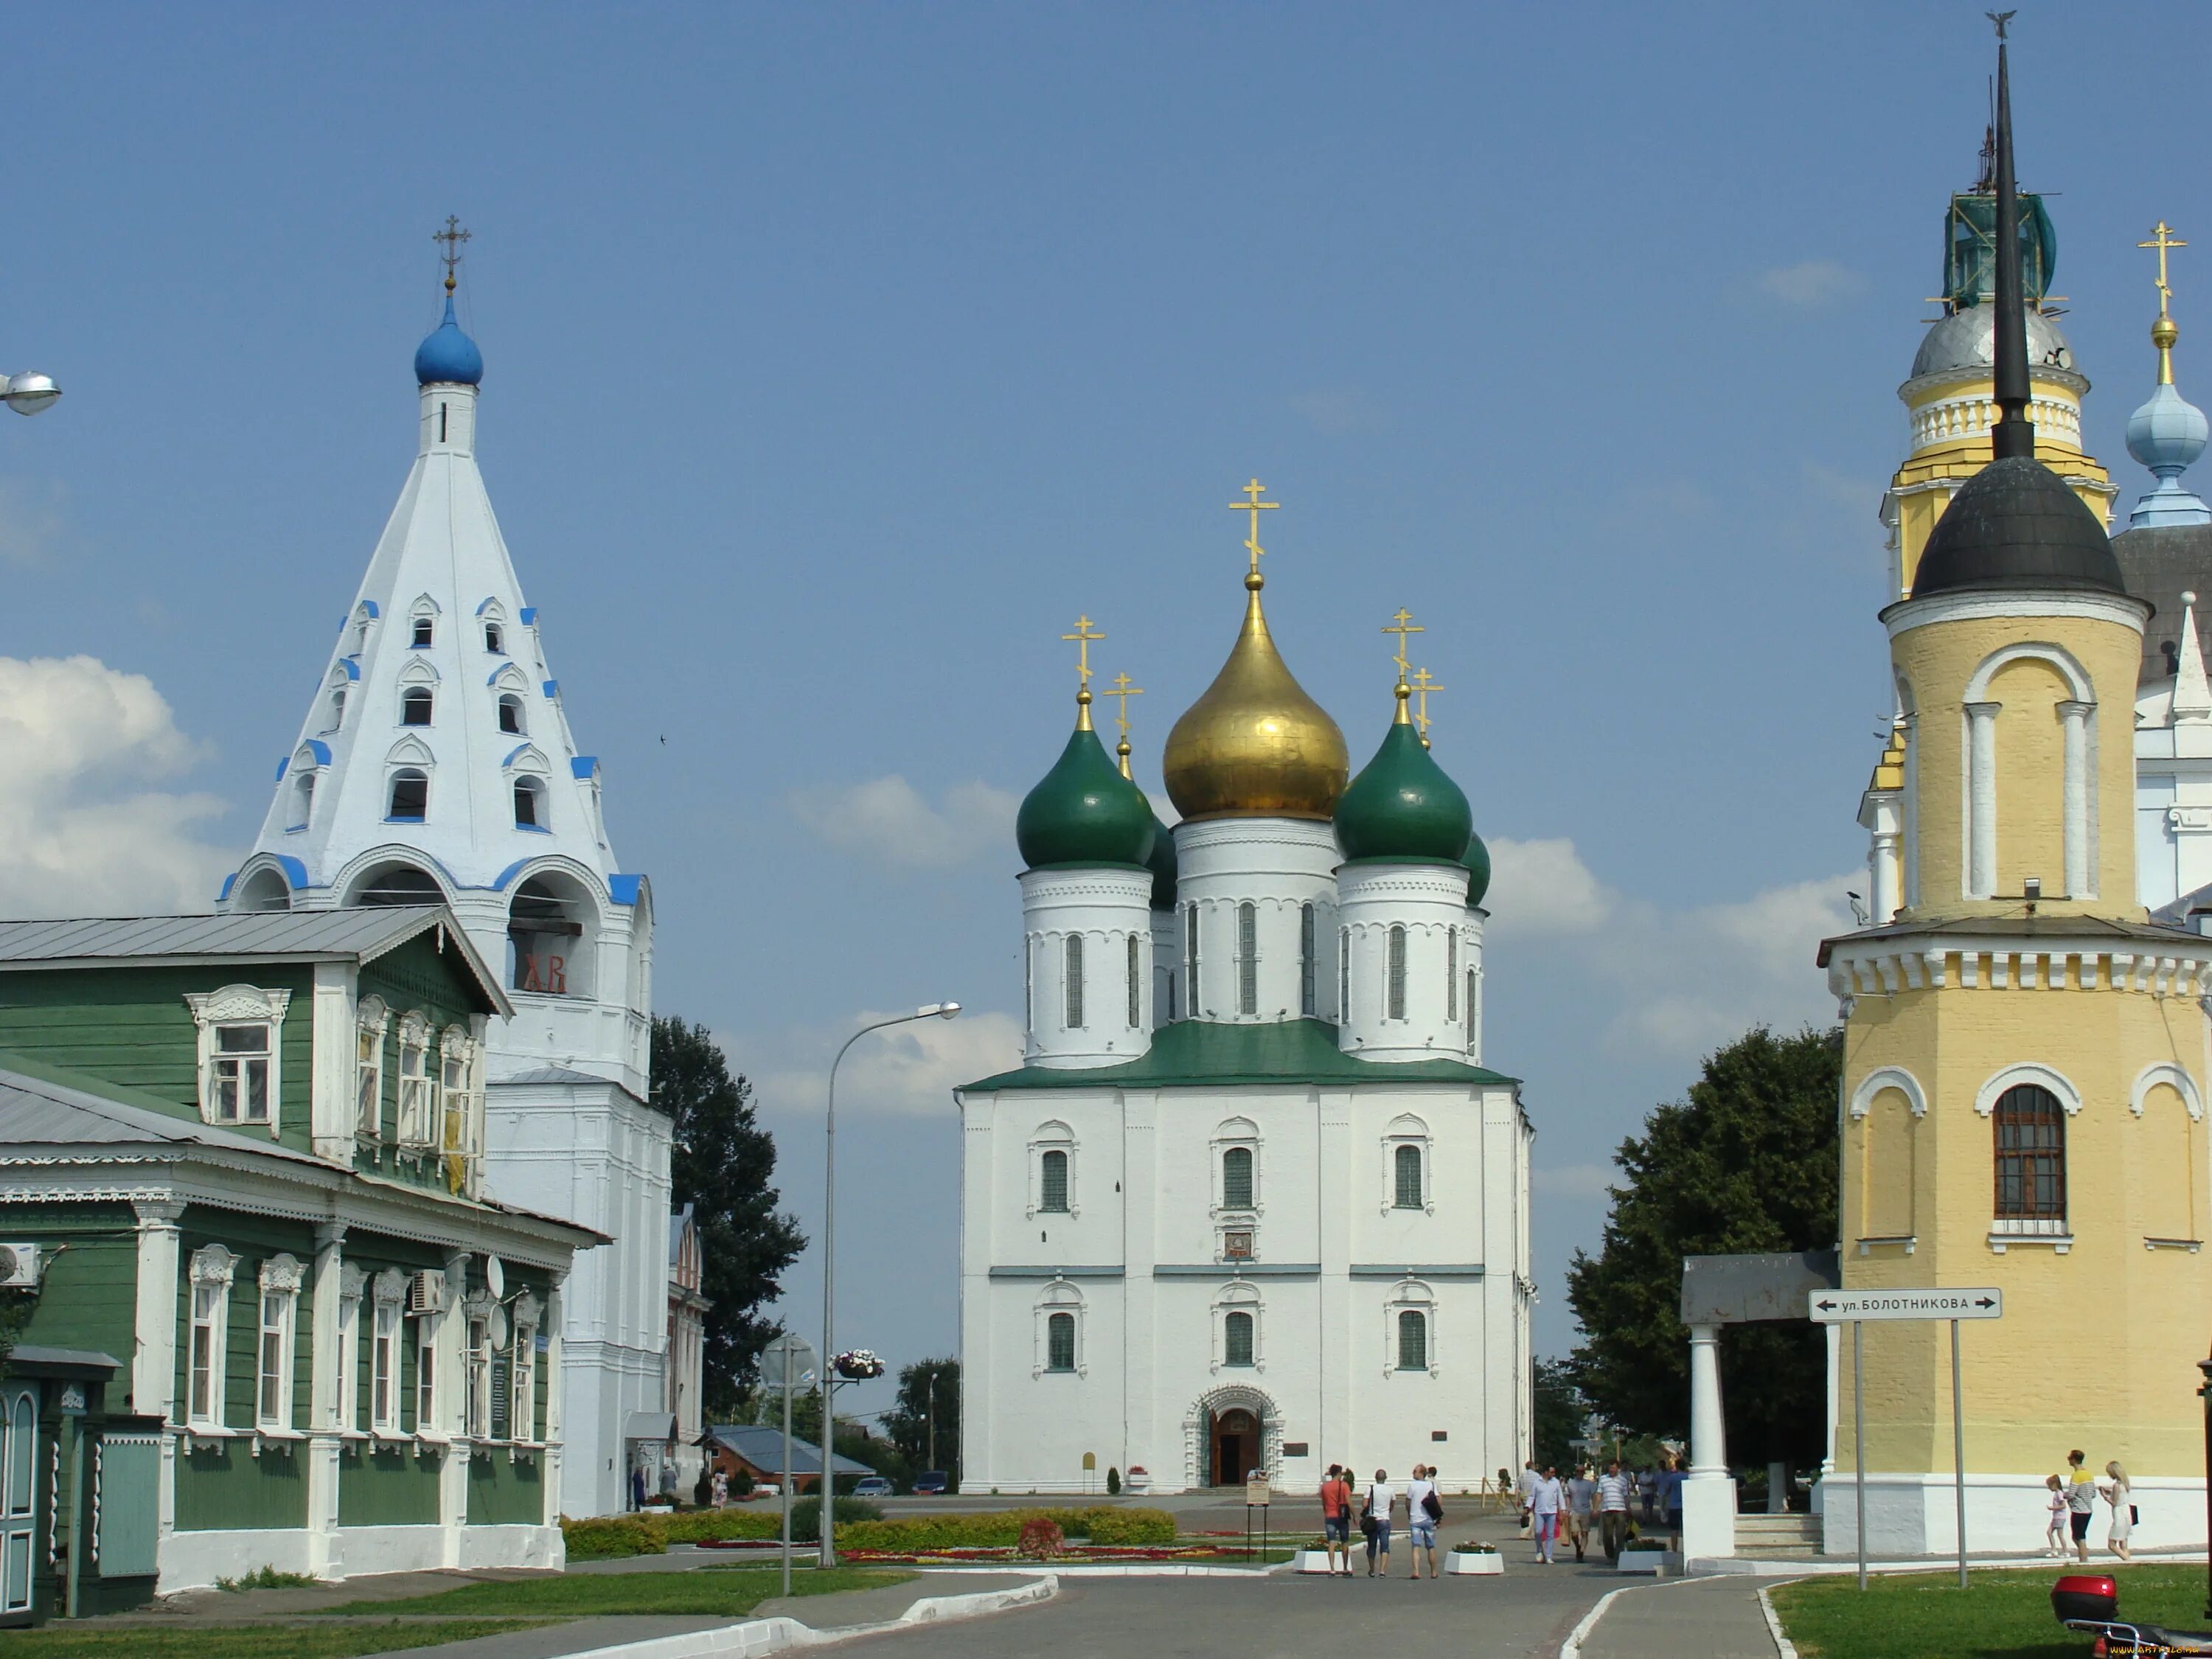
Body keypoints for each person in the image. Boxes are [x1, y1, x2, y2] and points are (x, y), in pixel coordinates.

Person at [1405, 1464, 1441, 1579]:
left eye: (1415, 1471)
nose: (1413, 1473)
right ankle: (1433, 1572)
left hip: (1415, 1519)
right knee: (1431, 1546)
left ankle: (1416, 1572)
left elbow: (1408, 1502)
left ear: (1421, 1473)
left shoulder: (1412, 1486)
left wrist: (1409, 1513)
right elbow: (1438, 1500)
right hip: (1429, 1519)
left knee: (1416, 1546)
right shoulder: (1431, 1485)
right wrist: (1437, 1516)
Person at [1320, 1464, 1355, 1577]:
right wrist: (1355, 1515)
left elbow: (1324, 1502)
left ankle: (1332, 1568)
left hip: (1330, 1516)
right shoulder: (1344, 1486)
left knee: (1331, 1542)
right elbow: (1349, 1501)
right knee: (1344, 1542)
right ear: (1339, 1473)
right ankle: (1345, 1568)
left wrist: (1326, 1512)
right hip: (1342, 1516)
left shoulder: (1325, 1487)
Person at [1597, 1459, 1634, 1562]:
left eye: (1613, 1468)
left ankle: (1619, 1557)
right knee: (1607, 1535)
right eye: (1610, 1468)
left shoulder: (1623, 1480)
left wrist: (1629, 1509)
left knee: (1620, 1534)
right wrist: (1596, 1508)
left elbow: (1626, 1496)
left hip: (1620, 1510)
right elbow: (1599, 1494)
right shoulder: (1603, 1479)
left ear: (1618, 1468)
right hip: (1607, 1509)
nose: (1612, 1470)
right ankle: (1610, 1555)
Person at [1529, 1464, 1565, 1565]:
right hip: (1539, 1511)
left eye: (1554, 1472)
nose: (1553, 1474)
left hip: (1552, 1511)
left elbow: (1560, 1497)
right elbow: (1532, 1496)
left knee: (1550, 1535)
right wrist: (1527, 1507)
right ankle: (1539, 1550)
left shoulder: (1556, 1482)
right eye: (1551, 1472)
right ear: (1545, 1472)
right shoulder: (1537, 1482)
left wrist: (1563, 1510)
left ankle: (1549, 1556)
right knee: (1538, 1531)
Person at [2066, 1449, 2097, 1564]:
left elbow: (2071, 1494)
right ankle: (2083, 1556)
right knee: (2078, 1536)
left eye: (2070, 1458)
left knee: (2079, 1537)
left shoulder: (2076, 1476)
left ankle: (2084, 1560)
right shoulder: (2089, 1475)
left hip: (2078, 1510)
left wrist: (2064, 1495)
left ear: (2074, 1460)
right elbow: (2093, 1493)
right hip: (2088, 1509)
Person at [1363, 1468, 1394, 1577]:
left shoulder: (1370, 1489)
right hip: (1385, 1520)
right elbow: (1392, 1505)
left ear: (1376, 1478)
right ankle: (1382, 1570)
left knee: (1372, 1546)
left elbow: (1365, 1504)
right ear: (1385, 1478)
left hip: (1373, 1520)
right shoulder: (1390, 1490)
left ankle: (1372, 1570)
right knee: (1385, 1546)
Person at [1565, 1465, 1596, 1562]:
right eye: (1578, 1471)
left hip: (1585, 1510)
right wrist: (1567, 1509)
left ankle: (1581, 1552)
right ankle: (1578, 1546)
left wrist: (1595, 1509)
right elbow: (1568, 1497)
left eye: (1581, 1471)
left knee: (1584, 1533)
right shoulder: (1571, 1483)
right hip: (1574, 1510)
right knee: (1574, 1534)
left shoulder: (1589, 1484)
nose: (1579, 1473)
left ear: (1584, 1473)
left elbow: (1594, 1496)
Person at [2105, 1461, 2134, 1562]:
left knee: (2112, 1544)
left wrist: (2105, 1497)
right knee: (2124, 1543)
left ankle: (2127, 1560)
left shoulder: (2116, 1485)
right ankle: (2128, 1560)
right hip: (2127, 1513)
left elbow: (2115, 1502)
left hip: (2119, 1515)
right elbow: (2120, 1496)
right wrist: (2109, 1492)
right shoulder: (2125, 1484)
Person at [2042, 1474, 2068, 1557]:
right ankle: (2054, 1550)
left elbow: (2063, 1505)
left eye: (2050, 1486)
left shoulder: (2059, 1494)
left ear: (2054, 1485)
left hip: (2060, 1517)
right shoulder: (2057, 1493)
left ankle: (2066, 1552)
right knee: (2049, 1532)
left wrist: (2052, 1508)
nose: (2049, 1488)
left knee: (2060, 1535)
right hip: (2056, 1517)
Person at [1515, 1459, 1538, 1538]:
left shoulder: (1522, 1476)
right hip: (1533, 1496)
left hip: (1524, 1496)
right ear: (1532, 1467)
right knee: (1531, 1515)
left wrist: (1517, 1499)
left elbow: (1518, 1488)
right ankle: (1524, 1533)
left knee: (1527, 1513)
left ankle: (1531, 1534)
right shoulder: (1537, 1476)